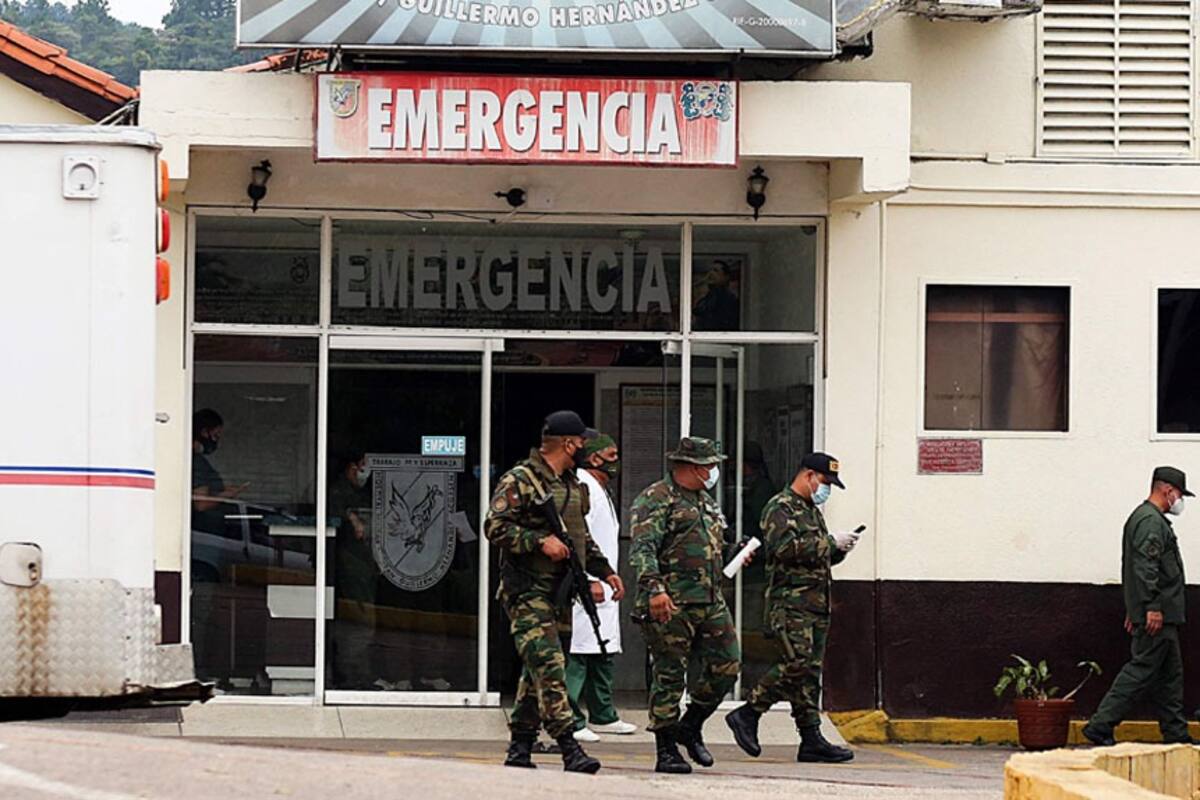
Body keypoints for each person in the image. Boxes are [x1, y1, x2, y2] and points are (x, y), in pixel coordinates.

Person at [486, 410, 626, 774]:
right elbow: (494, 526)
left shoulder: (573, 484)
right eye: (580, 442)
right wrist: (538, 541)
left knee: (537, 671)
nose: (584, 448)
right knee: (550, 667)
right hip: (527, 592)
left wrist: (605, 571)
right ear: (568, 443)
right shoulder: (522, 479)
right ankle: (569, 746)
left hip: (561, 594)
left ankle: (520, 746)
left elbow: (580, 538)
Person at [725, 452, 861, 764]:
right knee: (796, 664)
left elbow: (814, 555)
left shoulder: (810, 510)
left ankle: (811, 737)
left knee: (809, 673)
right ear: (809, 475)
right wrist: (830, 542)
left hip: (815, 604)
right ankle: (749, 712)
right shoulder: (780, 507)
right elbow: (784, 549)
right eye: (825, 482)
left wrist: (840, 549)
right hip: (790, 604)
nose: (826, 489)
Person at [630, 436, 742, 775]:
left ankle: (690, 725)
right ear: (694, 467)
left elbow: (712, 544)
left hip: (709, 599)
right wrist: (655, 590)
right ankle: (666, 748)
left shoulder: (706, 502)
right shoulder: (656, 498)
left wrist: (735, 552)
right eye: (711, 466)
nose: (714, 471)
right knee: (669, 675)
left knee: (728, 664)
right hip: (671, 601)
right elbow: (643, 549)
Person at [1083, 466, 1194, 747]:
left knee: (1170, 676)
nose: (1180, 501)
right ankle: (1100, 725)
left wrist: (1137, 608)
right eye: (1180, 494)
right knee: (1141, 670)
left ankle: (1176, 733)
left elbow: (1134, 569)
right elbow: (1146, 567)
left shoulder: (1146, 519)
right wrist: (1149, 606)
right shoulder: (1150, 522)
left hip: (1162, 613)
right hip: (1158, 613)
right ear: (1167, 491)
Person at [568, 434, 637, 742]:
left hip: (605, 587)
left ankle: (603, 714)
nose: (616, 461)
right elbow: (576, 537)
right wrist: (588, 579)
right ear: (594, 458)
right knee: (579, 653)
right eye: (611, 455)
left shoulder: (600, 488)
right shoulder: (582, 486)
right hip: (587, 587)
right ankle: (571, 719)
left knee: (603, 651)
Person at [328, 451, 381, 690]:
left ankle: (358, 675)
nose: (365, 472)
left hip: (362, 565)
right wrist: (351, 518)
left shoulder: (358, 493)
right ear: (351, 467)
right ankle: (352, 677)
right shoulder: (339, 494)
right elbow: (338, 515)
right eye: (363, 465)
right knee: (358, 624)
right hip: (350, 567)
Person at [191, 408, 247, 535]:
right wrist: (228, 494)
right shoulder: (196, 462)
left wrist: (220, 490)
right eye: (215, 435)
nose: (216, 441)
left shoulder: (193, 460)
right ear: (204, 432)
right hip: (205, 534)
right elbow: (201, 504)